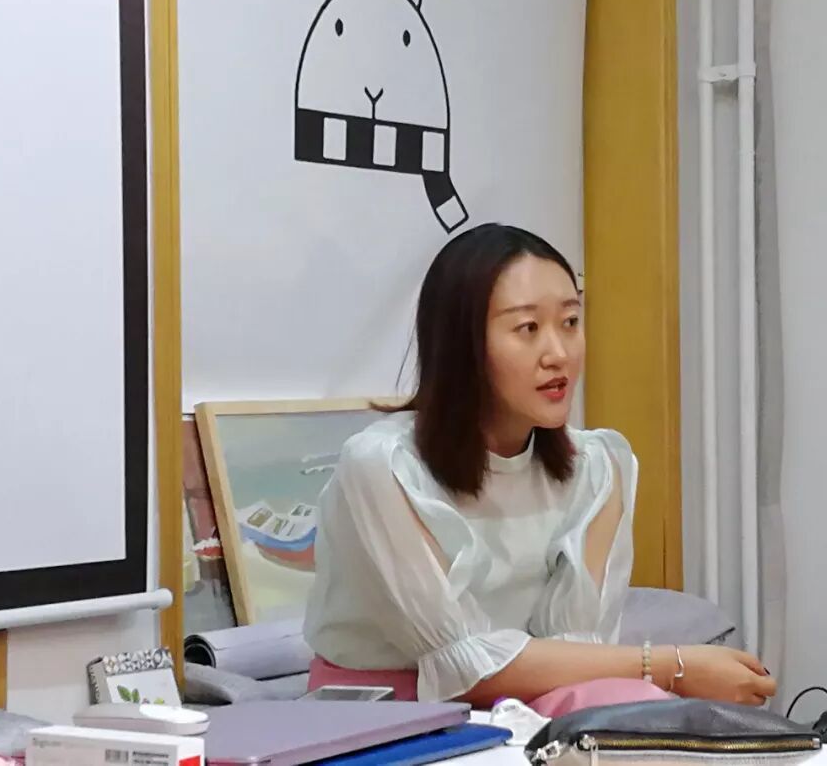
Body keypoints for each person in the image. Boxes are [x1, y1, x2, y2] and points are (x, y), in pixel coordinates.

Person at [304, 223, 776, 712]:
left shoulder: (598, 467)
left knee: (634, 708)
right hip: (385, 710)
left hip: (533, 695)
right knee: (635, 702)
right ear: (462, 343)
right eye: (528, 329)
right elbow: (464, 668)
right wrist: (675, 666)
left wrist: (663, 677)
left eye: (570, 322)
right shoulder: (385, 466)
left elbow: (578, 647)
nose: (559, 354)